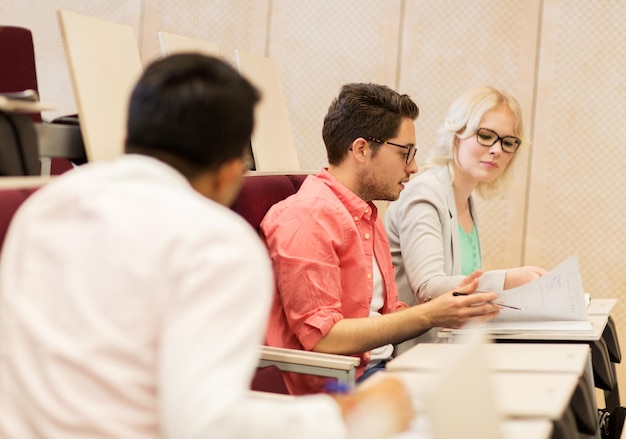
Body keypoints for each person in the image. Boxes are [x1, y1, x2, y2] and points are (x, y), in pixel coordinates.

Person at [0, 54, 414, 439]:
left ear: (129, 136)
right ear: (232, 170)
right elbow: (207, 424)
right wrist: (350, 417)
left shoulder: (43, 209)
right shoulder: (215, 244)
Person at [261, 82, 501, 396]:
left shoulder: (366, 213)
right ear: (361, 149)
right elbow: (324, 338)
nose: (413, 167)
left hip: (382, 371)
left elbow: (383, 317)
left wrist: (452, 309)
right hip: (338, 387)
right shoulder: (308, 216)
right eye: (406, 152)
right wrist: (430, 313)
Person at [384, 85, 546, 348]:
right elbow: (428, 289)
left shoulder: (464, 198)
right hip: (409, 355)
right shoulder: (426, 192)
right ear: (456, 134)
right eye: (485, 135)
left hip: (449, 351)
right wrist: (507, 280)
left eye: (507, 142)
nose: (497, 150)